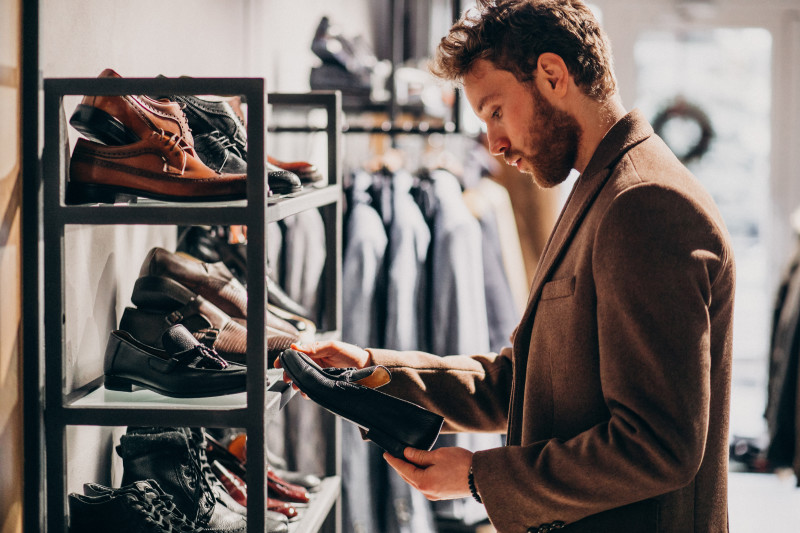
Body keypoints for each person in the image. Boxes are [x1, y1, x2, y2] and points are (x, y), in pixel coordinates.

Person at [278, 1, 736, 531]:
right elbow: (519, 381)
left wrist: (478, 477)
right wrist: (368, 370)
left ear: (552, 75)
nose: (494, 145)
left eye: (496, 110)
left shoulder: (644, 202)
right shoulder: (603, 189)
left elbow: (659, 446)